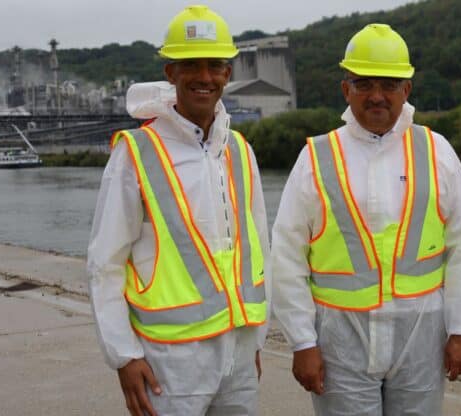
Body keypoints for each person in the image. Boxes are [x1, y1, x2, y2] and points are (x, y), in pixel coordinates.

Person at [270, 23, 461, 415]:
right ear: (345, 89)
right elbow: (286, 256)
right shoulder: (317, 157)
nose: (377, 96)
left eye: (389, 84)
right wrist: (302, 342)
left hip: (421, 333)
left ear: (407, 89)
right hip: (340, 337)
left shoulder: (437, 152)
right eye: (364, 84)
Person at [87, 5, 270, 416]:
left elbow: (259, 249)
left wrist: (253, 341)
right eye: (191, 65)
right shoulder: (137, 153)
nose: (204, 76)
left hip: (237, 352)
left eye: (215, 65)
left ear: (228, 73)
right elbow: (105, 263)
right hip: (168, 360)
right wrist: (123, 355)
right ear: (171, 73)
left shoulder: (240, 151)